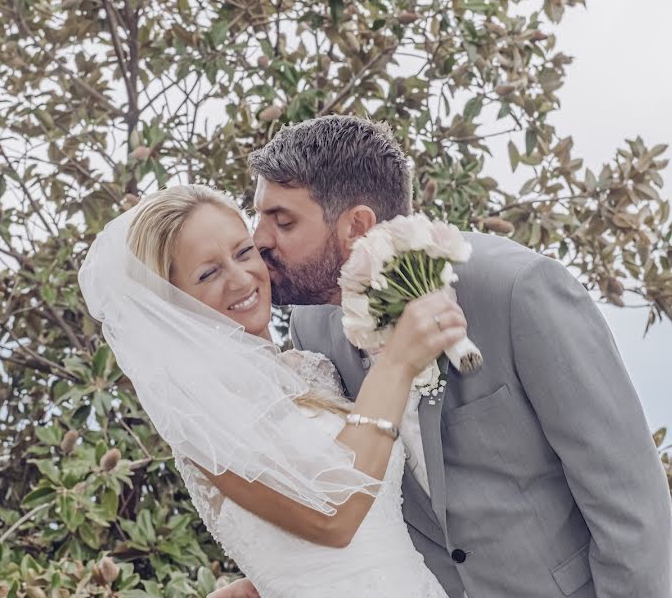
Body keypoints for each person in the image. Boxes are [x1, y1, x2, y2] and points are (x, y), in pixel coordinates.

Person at [210, 115, 672, 598]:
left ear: (356, 226)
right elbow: (359, 490)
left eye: (282, 220)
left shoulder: (516, 291)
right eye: (259, 216)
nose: (258, 240)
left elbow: (630, 503)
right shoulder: (311, 330)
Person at [78, 184, 465, 597]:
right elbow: (333, 513)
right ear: (172, 303)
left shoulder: (306, 368)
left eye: (243, 252)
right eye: (208, 273)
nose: (241, 278)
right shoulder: (203, 407)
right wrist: (397, 363)